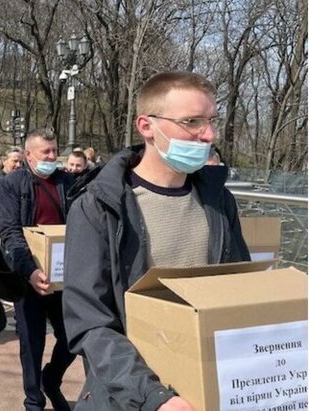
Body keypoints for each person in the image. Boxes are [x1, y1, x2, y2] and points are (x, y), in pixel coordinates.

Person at [62, 71, 250, 411]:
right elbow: (89, 321)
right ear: (146, 126)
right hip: (130, 396)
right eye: (191, 121)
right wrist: (154, 397)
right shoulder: (98, 206)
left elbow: (239, 292)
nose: (208, 134)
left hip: (211, 388)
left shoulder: (219, 202)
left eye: (211, 121)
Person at [0, 129, 77, 411]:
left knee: (73, 337)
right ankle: (34, 400)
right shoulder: (13, 185)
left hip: (64, 276)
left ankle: (51, 379)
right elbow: (9, 232)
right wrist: (29, 271)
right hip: (27, 278)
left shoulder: (68, 182)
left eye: (55, 150)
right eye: (46, 152)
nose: (53, 156)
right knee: (32, 344)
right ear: (29, 155)